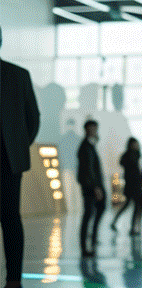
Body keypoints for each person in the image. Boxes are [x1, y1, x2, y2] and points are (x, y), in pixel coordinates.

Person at [0, 24, 41, 288]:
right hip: (9, 159)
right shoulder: (18, 75)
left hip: (8, 158)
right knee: (11, 218)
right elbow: (33, 118)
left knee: (12, 219)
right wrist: (18, 144)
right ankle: (14, 278)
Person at [78, 119, 105, 258]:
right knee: (88, 215)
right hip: (90, 187)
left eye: (95, 128)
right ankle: (85, 247)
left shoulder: (90, 145)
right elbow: (88, 169)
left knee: (93, 212)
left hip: (92, 185)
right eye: (91, 128)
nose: (94, 131)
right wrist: (96, 187)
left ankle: (92, 240)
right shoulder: (85, 147)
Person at [110, 137, 142, 235]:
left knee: (131, 205)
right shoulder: (130, 156)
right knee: (136, 206)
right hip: (133, 185)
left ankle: (131, 227)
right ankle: (134, 228)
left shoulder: (132, 155)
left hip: (134, 185)